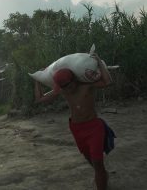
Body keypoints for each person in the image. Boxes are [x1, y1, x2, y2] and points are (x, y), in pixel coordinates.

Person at [34, 53, 115, 190]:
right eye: (63, 87)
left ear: (74, 80)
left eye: (68, 85)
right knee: (90, 160)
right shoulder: (63, 90)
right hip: (76, 129)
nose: (67, 89)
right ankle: (102, 175)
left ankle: (101, 180)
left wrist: (99, 62)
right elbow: (40, 99)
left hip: (94, 127)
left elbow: (107, 82)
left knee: (97, 162)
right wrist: (37, 79)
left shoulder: (87, 85)